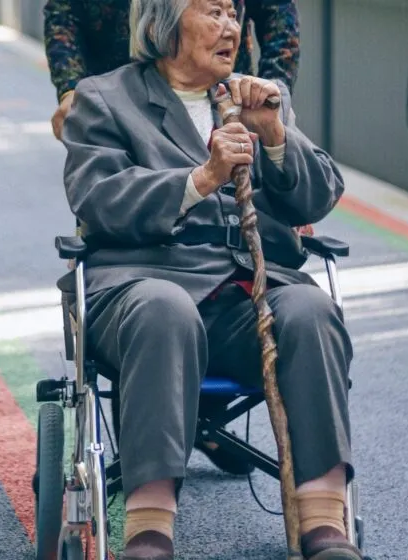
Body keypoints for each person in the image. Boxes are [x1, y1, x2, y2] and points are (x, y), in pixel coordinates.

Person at [59, 0, 360, 558]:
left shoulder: (257, 97)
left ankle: (323, 518)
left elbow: (318, 195)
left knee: (310, 310)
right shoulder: (105, 97)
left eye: (234, 13)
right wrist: (201, 179)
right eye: (214, 12)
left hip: (243, 295)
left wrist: (274, 135)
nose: (231, 28)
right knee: (163, 308)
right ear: (166, 23)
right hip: (139, 286)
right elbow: (97, 199)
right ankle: (149, 525)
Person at [43, 0, 300, 140]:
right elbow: (63, 14)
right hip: (117, 95)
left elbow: (278, 17)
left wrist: (274, 95)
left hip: (221, 93)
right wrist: (70, 89)